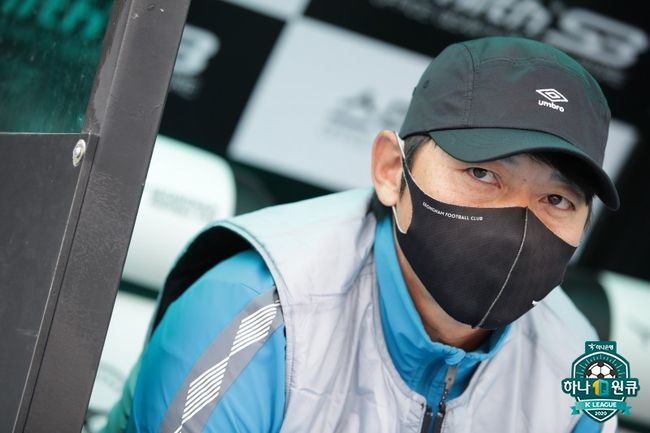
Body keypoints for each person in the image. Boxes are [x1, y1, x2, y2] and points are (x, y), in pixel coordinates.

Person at [104, 36, 620, 433]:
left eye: (557, 200)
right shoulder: (255, 311)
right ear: (392, 170)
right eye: (482, 174)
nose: (517, 223)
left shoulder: (581, 365)